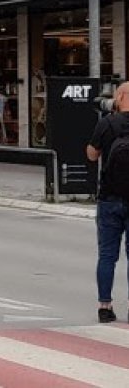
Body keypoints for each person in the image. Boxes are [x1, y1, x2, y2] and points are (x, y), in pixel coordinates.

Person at [86, 81, 129, 324]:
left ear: (120, 97)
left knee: (107, 255)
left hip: (109, 199)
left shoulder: (107, 123)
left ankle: (105, 306)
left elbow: (92, 155)